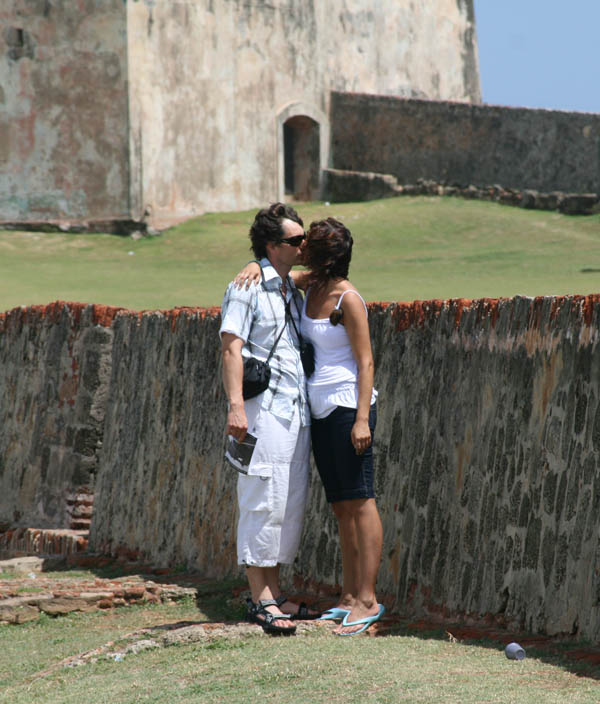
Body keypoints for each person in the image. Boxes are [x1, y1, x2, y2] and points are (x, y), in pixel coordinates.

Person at [235, 217, 384, 636]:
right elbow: (277, 268)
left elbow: (366, 362)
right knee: (340, 506)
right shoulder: (312, 286)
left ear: (323, 252)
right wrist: (254, 264)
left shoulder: (347, 299)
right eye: (297, 241)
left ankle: (368, 599)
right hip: (317, 410)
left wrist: (360, 419)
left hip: (346, 409)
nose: (300, 247)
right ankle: (349, 596)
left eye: (307, 242)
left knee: (361, 500)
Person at [220, 203, 319, 635]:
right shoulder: (246, 287)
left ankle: (275, 595)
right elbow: (230, 347)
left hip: (294, 411)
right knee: (262, 497)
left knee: (287, 500)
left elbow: (316, 272)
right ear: (271, 245)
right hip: (262, 412)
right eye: (296, 240)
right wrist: (236, 405)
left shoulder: (284, 288)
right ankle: (259, 600)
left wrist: (264, 265)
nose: (303, 246)